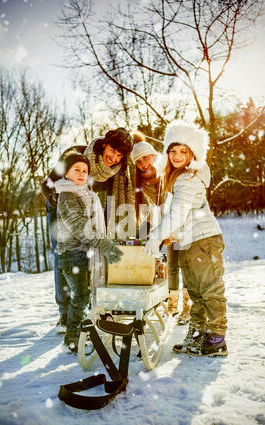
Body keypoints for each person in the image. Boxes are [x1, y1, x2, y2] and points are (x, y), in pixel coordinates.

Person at [145, 120, 228, 357]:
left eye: (183, 151)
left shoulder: (189, 178)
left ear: (192, 153)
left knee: (210, 289)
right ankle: (197, 335)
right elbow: (180, 218)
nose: (177, 155)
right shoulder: (177, 178)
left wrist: (156, 236)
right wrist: (168, 236)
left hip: (204, 240)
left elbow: (178, 215)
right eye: (173, 151)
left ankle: (216, 338)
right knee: (195, 291)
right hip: (190, 242)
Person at [41, 128, 134, 333]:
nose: (114, 158)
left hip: (89, 211)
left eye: (120, 155)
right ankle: (65, 313)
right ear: (103, 146)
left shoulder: (116, 172)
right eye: (112, 151)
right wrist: (60, 201)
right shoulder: (77, 156)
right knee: (64, 256)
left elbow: (113, 202)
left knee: (90, 257)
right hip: (60, 205)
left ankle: (89, 304)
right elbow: (47, 184)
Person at [53, 151, 123, 353]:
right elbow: (79, 226)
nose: (82, 173)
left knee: (85, 294)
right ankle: (72, 339)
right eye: (77, 169)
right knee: (81, 297)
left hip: (83, 253)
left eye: (85, 170)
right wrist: (104, 244)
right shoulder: (67, 195)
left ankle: (83, 331)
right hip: (72, 254)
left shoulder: (86, 193)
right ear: (66, 173)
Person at [130, 133, 191, 321]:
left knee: (186, 266)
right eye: (138, 161)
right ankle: (172, 305)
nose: (143, 163)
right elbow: (152, 211)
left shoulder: (169, 171)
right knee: (172, 266)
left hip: (185, 224)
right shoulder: (142, 185)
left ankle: (188, 307)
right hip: (167, 227)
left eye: (146, 158)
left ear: (154, 156)